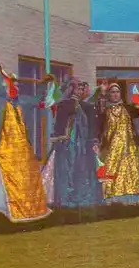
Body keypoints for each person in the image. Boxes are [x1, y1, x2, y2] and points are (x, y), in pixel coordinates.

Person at [0, 62, 51, 223]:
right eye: (12, 84)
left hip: (22, 147)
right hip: (3, 147)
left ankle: (24, 209)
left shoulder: (22, 101)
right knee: (1, 178)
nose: (15, 87)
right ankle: (0, 208)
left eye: (16, 85)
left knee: (24, 178)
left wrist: (44, 85)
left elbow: (37, 100)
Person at [42, 79, 103, 213]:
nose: (80, 91)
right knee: (67, 170)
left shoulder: (83, 106)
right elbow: (60, 125)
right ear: (71, 89)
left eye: (82, 89)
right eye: (77, 89)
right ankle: (66, 199)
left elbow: (89, 125)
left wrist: (92, 142)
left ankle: (80, 197)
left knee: (81, 170)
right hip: (68, 144)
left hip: (81, 144)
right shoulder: (66, 104)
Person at [95, 83, 139, 206]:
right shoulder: (104, 111)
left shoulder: (128, 108)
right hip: (111, 148)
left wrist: (138, 99)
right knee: (111, 171)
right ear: (109, 95)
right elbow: (99, 128)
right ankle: (113, 201)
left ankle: (131, 201)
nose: (115, 94)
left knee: (130, 171)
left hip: (129, 147)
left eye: (117, 91)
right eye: (112, 92)